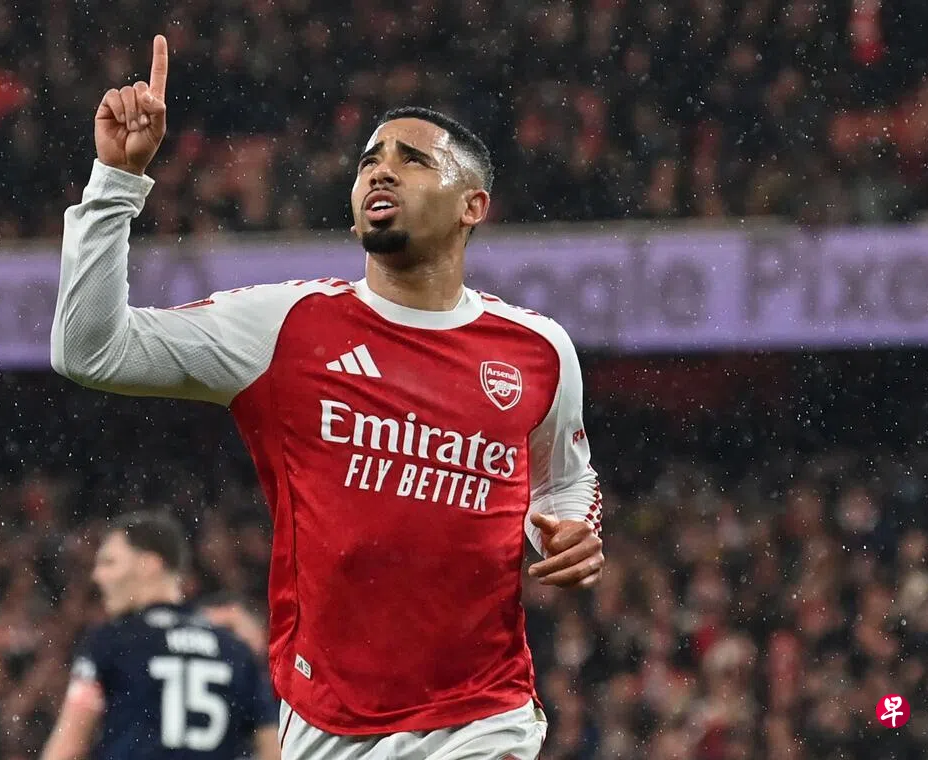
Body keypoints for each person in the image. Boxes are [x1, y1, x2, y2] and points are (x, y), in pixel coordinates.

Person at [51, 35, 605, 760]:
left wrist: (572, 529)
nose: (381, 169)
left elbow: (567, 481)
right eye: (370, 160)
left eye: (413, 159)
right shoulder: (285, 326)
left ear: (473, 205)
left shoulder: (538, 350)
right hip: (325, 722)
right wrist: (116, 183)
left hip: (482, 715)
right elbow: (91, 350)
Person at [40, 511, 280, 760]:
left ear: (149, 564)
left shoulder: (112, 642)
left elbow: (66, 749)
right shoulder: (234, 649)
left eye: (109, 562)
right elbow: (272, 749)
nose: (98, 576)